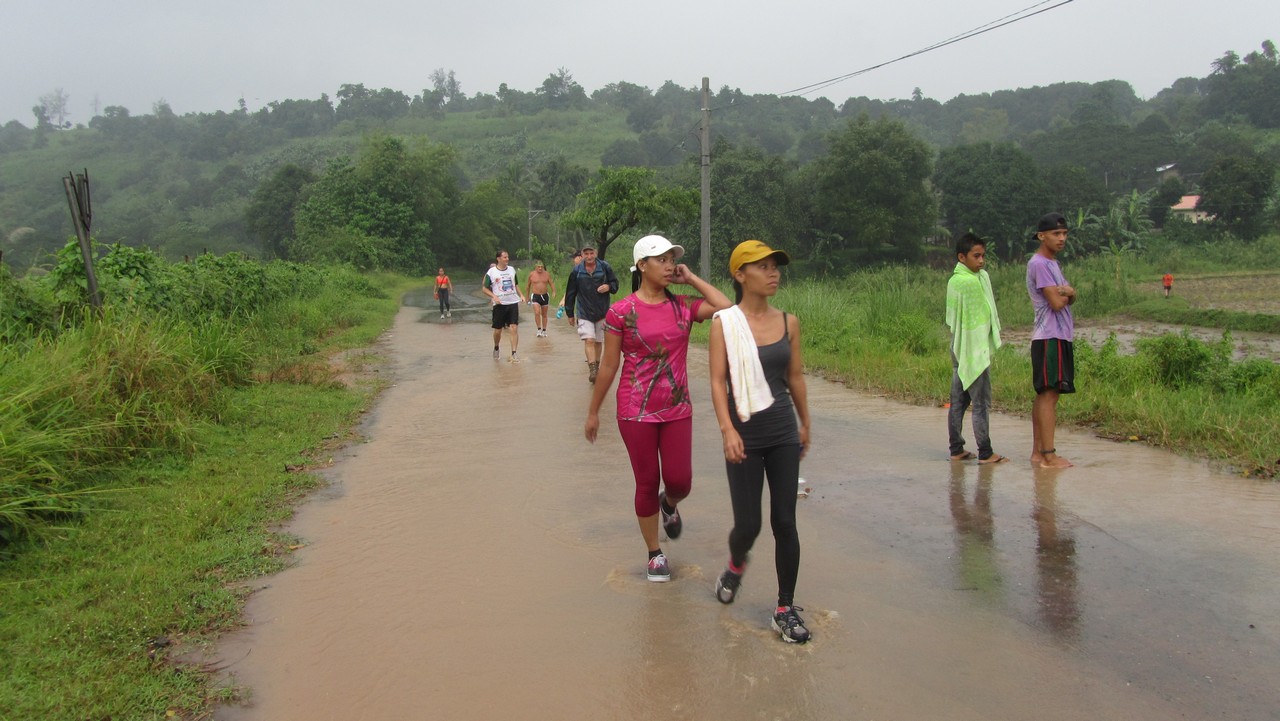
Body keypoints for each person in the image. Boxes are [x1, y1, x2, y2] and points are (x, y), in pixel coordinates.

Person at [584, 234, 731, 583]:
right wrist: (593, 411)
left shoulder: (682, 306)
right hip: (635, 411)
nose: (669, 266)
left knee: (680, 481)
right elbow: (609, 365)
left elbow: (725, 307)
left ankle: (669, 504)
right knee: (647, 481)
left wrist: (690, 278)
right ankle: (654, 553)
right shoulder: (621, 312)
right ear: (641, 265)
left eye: (671, 260)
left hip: (677, 407)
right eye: (661, 260)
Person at [707, 240, 813, 644]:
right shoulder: (724, 324)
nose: (773, 273)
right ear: (740, 274)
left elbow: (795, 377)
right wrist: (727, 430)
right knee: (748, 526)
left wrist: (805, 422)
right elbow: (717, 381)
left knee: (785, 521)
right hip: (744, 435)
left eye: (775, 266)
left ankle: (785, 608)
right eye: (763, 266)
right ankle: (736, 564)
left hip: (782, 431)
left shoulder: (789, 322)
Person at [945, 233, 1007, 464]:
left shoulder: (956, 280)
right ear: (962, 257)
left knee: (958, 402)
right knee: (980, 403)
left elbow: (955, 319)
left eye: (983, 256)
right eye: (976, 256)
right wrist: (979, 345)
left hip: (958, 346)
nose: (981, 261)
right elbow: (981, 316)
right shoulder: (971, 281)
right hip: (973, 348)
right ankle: (985, 452)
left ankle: (956, 449)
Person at [1027, 213, 1077, 468]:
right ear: (1041, 236)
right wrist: (1069, 292)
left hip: (1056, 336)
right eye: (1056, 234)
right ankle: (1048, 455)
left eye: (1064, 233)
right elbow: (1057, 303)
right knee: (1049, 396)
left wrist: (1070, 292)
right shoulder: (1040, 264)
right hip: (1049, 337)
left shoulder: (1052, 264)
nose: (1062, 238)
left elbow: (1068, 295)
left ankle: (1038, 453)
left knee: (1046, 395)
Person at [564, 244, 619, 383]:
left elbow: (615, 285)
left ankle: (597, 366)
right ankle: (593, 370)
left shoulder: (605, 267)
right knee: (589, 340)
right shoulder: (577, 271)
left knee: (598, 341)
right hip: (584, 311)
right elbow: (570, 293)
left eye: (591, 253)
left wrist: (608, 286)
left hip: (602, 311)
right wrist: (569, 313)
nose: (589, 256)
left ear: (595, 253)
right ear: (582, 255)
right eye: (586, 254)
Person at [483, 250, 525, 362]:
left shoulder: (512, 270)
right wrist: (494, 296)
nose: (507, 259)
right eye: (505, 257)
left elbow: (516, 285)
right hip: (499, 304)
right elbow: (484, 288)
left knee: (514, 327)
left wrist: (521, 295)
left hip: (513, 303)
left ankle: (514, 353)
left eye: (508, 257)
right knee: (498, 330)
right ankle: (496, 347)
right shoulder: (491, 272)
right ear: (498, 259)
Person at [524, 261, 555, 337]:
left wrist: (554, 291)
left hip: (545, 296)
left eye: (541, 267)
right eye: (538, 267)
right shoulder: (532, 274)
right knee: (537, 312)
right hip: (535, 296)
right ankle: (538, 329)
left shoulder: (547, 274)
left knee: (544, 314)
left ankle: (544, 330)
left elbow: (551, 283)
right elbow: (528, 286)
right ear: (536, 267)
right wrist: (527, 297)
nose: (540, 268)